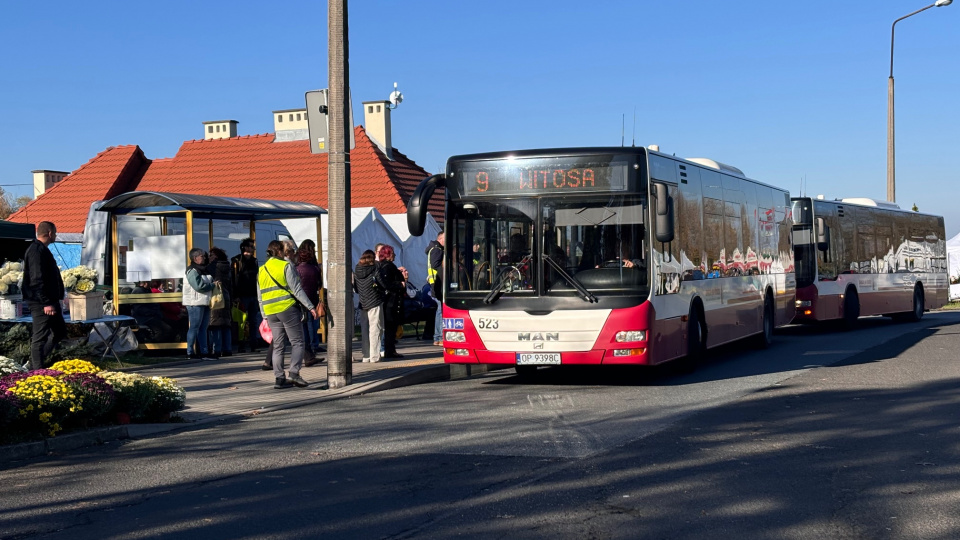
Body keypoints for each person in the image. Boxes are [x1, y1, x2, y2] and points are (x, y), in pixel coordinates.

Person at [258, 239, 318, 389]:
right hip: (287, 308)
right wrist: (310, 306)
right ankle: (294, 374)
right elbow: (296, 289)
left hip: (271, 311)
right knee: (297, 342)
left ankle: (279, 378)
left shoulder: (262, 269)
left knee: (278, 345)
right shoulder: (285, 266)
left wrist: (264, 314)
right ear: (279, 251)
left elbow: (259, 294)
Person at [21, 221, 66, 370]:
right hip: (41, 301)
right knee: (40, 337)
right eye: (55, 232)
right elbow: (36, 279)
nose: (56, 235)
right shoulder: (35, 251)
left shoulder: (43, 250)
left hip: (50, 300)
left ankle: (34, 363)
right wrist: (46, 302)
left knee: (59, 332)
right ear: (50, 233)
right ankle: (37, 371)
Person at [296, 239, 325, 366]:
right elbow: (319, 284)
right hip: (312, 298)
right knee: (311, 324)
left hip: (300, 299)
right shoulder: (315, 269)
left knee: (304, 326)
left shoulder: (296, 269)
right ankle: (312, 348)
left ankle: (308, 353)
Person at [183, 248, 215, 361]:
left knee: (203, 328)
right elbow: (198, 286)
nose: (204, 257)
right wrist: (212, 285)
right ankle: (190, 352)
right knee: (194, 327)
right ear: (195, 258)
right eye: (202, 256)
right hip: (194, 303)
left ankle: (204, 351)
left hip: (205, 302)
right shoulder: (192, 270)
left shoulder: (204, 270)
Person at [231, 238, 262, 352]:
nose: (253, 248)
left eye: (253, 246)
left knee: (253, 321)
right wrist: (236, 295)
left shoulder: (254, 261)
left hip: (253, 294)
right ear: (245, 247)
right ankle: (241, 344)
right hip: (242, 295)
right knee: (242, 321)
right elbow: (234, 279)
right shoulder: (237, 261)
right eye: (251, 246)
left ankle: (253, 344)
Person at [377, 244, 408, 359]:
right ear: (388, 255)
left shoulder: (383, 266)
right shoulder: (387, 266)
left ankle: (389, 349)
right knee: (390, 327)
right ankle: (389, 350)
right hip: (391, 301)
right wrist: (401, 283)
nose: (394, 255)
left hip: (389, 300)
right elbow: (387, 283)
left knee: (390, 327)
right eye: (393, 253)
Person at [353, 249, 384, 363]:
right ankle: (374, 356)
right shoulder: (375, 268)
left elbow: (356, 288)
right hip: (375, 301)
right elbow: (381, 283)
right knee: (375, 329)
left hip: (363, 302)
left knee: (365, 330)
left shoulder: (357, 270)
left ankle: (366, 356)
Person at [206, 247, 234, 358]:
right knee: (226, 324)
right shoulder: (227, 266)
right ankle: (227, 348)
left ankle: (216, 349)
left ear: (215, 256)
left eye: (210, 255)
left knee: (215, 324)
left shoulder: (213, 267)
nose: (209, 258)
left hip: (216, 297)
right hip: (226, 296)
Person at [425, 231, 444, 346]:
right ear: (441, 239)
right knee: (441, 311)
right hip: (438, 284)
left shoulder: (434, 249)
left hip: (435, 283)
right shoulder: (437, 250)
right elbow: (436, 265)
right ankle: (439, 336)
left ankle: (438, 336)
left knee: (439, 311)